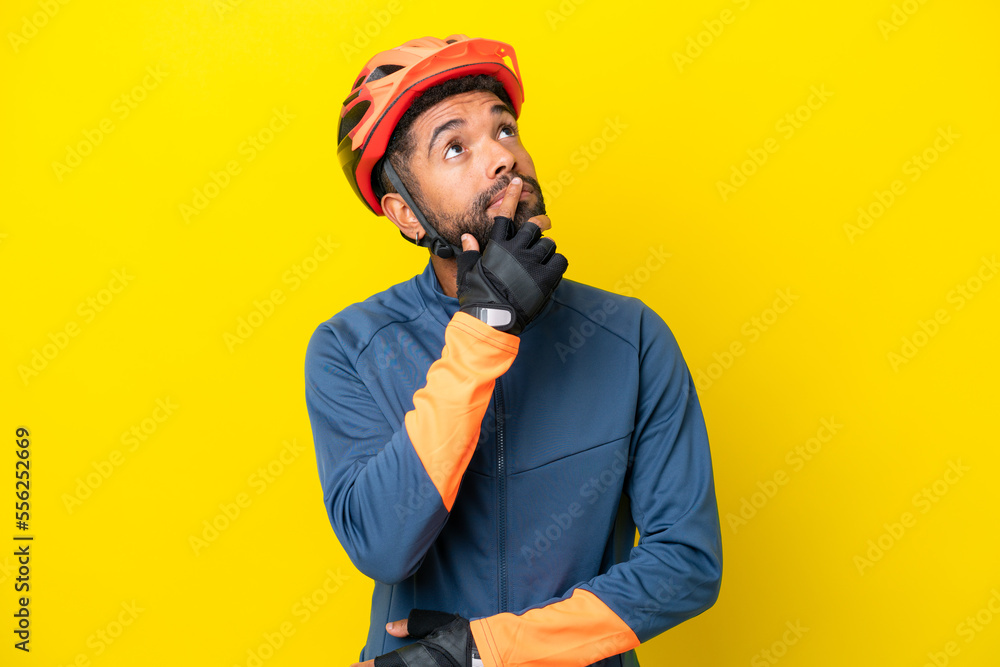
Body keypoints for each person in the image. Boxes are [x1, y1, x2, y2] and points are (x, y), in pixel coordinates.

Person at [304, 34, 723, 667]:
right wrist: (485, 327)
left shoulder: (631, 336)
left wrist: (485, 651)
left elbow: (686, 563)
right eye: (456, 146)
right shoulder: (350, 348)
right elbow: (383, 544)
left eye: (505, 131)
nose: (502, 159)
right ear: (405, 215)